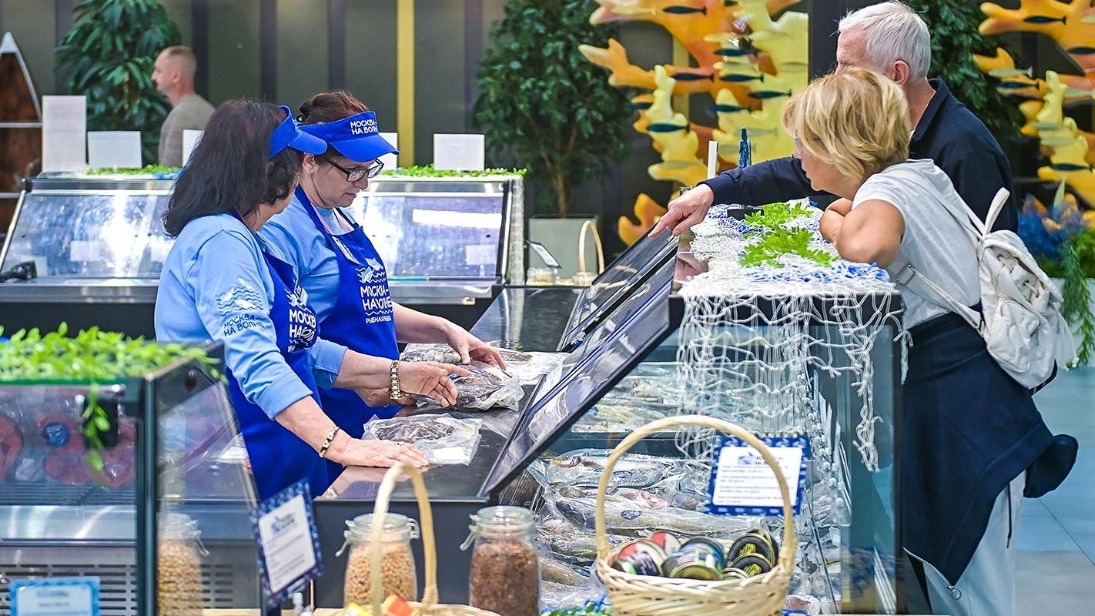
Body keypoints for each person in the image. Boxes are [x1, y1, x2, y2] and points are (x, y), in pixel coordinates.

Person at [786, 67, 1068, 616]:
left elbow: (868, 246)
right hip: (963, 406)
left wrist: (829, 225)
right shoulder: (916, 175)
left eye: (804, 141)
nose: (797, 156)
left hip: (964, 418)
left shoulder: (887, 189)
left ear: (839, 144)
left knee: (971, 596)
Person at [155, 100, 469, 500]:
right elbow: (255, 359)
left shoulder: (245, 236)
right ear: (268, 172)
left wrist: (392, 374)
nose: (302, 168)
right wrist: (341, 444)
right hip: (238, 460)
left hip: (284, 449)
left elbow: (297, 346)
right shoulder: (221, 242)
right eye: (294, 161)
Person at [260, 91, 504, 474]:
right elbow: (288, 342)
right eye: (353, 171)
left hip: (381, 405)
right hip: (330, 413)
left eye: (369, 169)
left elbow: (366, 306)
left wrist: (442, 330)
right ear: (309, 159)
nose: (364, 184)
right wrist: (380, 377)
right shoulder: (283, 228)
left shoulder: (338, 213)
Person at [651, 1, 1017, 237]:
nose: (837, 76)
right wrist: (712, 190)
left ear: (897, 74)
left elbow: (991, 256)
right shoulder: (873, 123)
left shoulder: (965, 147)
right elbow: (799, 171)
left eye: (849, 66)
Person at [151, 45, 215, 167]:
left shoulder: (182, 115)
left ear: (176, 76)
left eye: (158, 71)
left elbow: (169, 171)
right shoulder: (204, 108)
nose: (153, 76)